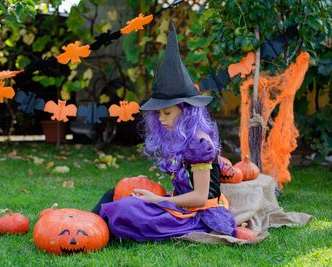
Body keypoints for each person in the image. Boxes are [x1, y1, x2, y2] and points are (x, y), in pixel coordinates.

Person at [92, 23, 254, 241]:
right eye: (159, 114)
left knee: (127, 210)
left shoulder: (200, 144)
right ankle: (90, 222)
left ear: (186, 111)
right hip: (179, 206)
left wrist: (158, 201)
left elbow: (198, 198)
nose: (161, 119)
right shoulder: (179, 138)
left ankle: (99, 226)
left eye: (167, 113)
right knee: (119, 196)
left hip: (198, 215)